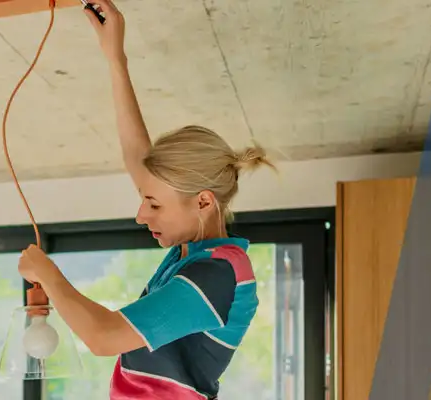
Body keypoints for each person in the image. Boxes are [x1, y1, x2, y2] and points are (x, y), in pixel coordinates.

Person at [15, 1, 275, 399]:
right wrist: (115, 58)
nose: (141, 214)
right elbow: (140, 159)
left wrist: (48, 274)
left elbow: (103, 338)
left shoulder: (218, 273)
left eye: (153, 204)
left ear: (203, 202)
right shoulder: (198, 255)